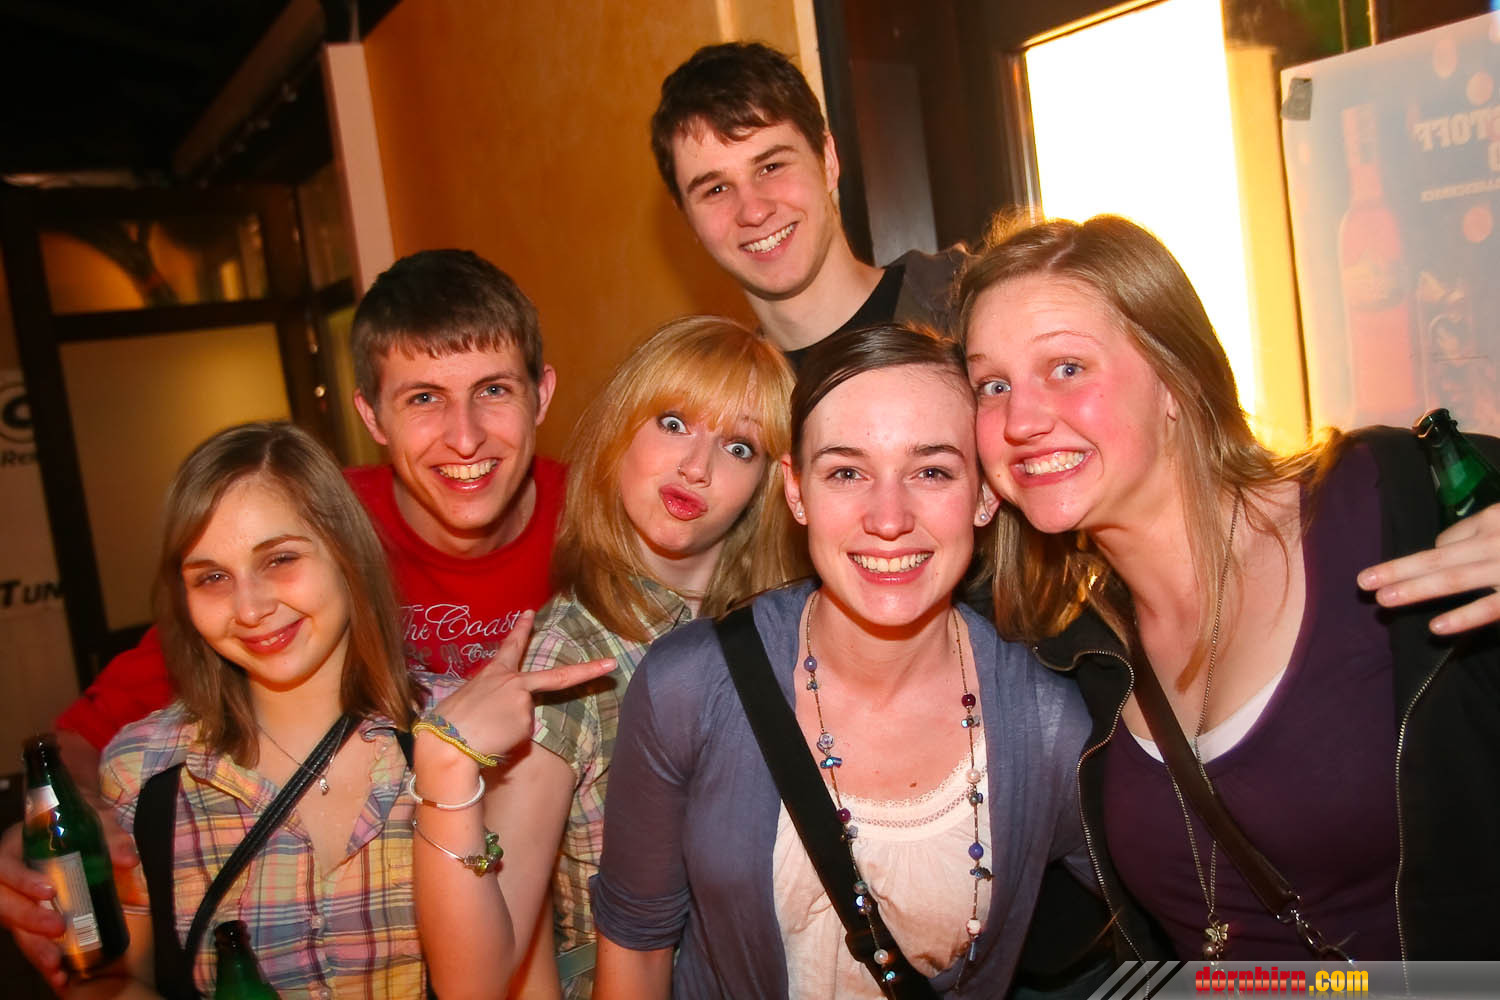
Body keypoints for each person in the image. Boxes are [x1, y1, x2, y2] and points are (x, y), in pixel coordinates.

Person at [3, 249, 567, 990]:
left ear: (541, 394)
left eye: (492, 389)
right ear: (371, 415)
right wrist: (51, 843)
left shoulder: (601, 527)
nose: (464, 438)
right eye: (424, 398)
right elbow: (86, 740)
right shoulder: (299, 529)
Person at [957, 213, 1500, 961]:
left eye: (1067, 367)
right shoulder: (1064, 653)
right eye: (992, 384)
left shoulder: (1390, 499)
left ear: (1174, 378)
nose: (1020, 419)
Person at [590, 324, 1093, 998]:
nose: (888, 519)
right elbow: (636, 949)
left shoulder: (1049, 726)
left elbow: (1194, 920)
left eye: (932, 472)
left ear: (984, 495)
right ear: (796, 491)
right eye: (847, 472)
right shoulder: (688, 685)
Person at [68, 422, 610, 999]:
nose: (249, 608)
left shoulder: (475, 734)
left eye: (279, 559)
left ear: (347, 553)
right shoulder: (144, 774)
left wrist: (450, 767)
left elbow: (517, 985)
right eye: (213, 577)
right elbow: (110, 980)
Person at [491, 316, 801, 998]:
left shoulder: (785, 635)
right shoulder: (568, 657)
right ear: (619, 430)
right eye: (673, 422)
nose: (697, 467)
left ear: (768, 484)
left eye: (740, 447)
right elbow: (500, 943)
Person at [649, 42, 966, 366]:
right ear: (687, 217)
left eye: (771, 167)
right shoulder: (731, 395)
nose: (754, 211)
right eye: (716, 189)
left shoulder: (969, 309)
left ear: (827, 161)